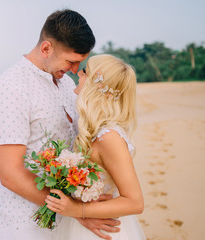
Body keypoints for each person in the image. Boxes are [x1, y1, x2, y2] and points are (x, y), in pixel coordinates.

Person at [0, 9, 120, 240]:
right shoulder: (10, 88)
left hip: (68, 222)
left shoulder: (66, 83)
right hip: (25, 223)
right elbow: (10, 174)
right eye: (71, 61)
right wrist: (79, 212)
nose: (76, 70)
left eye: (80, 63)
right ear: (46, 49)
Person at [45, 54, 146, 239]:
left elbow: (135, 202)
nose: (77, 75)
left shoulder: (109, 137)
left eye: (83, 73)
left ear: (94, 84)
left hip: (102, 230)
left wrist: (77, 209)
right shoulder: (94, 132)